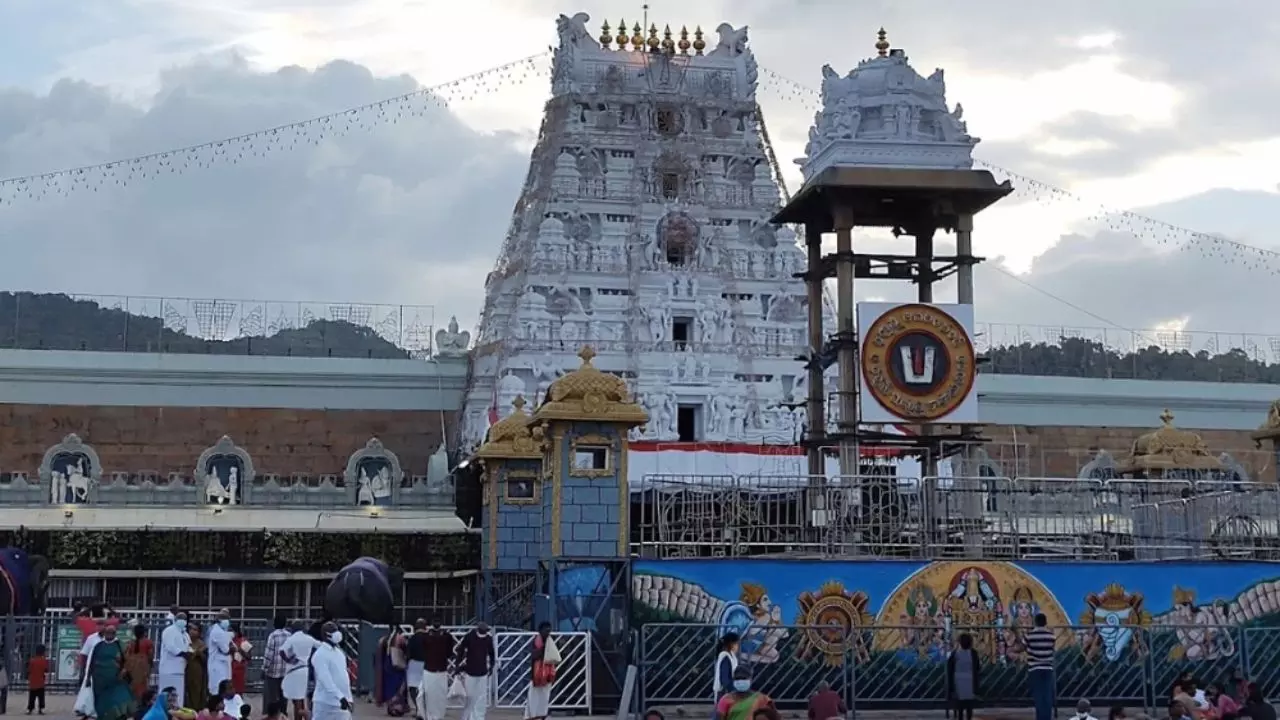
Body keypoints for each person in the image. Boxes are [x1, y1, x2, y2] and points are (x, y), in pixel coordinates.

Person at [87, 621, 137, 720]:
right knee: (101, 702)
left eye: (112, 633)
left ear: (115, 634)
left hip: (116, 680)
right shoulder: (98, 646)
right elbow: (92, 662)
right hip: (99, 681)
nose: (109, 634)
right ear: (104, 633)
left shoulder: (120, 645)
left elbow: (128, 661)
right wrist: (88, 677)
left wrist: (123, 671)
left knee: (117, 700)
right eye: (107, 632)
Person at [311, 621, 354, 720]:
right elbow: (325, 679)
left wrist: (349, 697)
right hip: (325, 704)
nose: (337, 633)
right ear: (326, 635)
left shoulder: (339, 653)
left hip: (341, 704)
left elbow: (344, 676)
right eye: (333, 631)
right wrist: (340, 697)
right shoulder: (320, 655)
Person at [456, 622, 496, 720]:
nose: (485, 633)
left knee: (481, 697)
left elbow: (492, 654)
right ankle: (467, 717)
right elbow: (460, 650)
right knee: (469, 696)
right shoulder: (469, 637)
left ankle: (479, 717)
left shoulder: (488, 639)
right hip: (470, 671)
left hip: (482, 671)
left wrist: (491, 666)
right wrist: (458, 664)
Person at [280, 620, 318, 720]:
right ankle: (304, 716)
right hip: (305, 670)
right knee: (301, 697)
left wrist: (288, 660)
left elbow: (282, 651)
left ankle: (302, 717)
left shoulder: (291, 639)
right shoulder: (308, 638)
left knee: (297, 699)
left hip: (294, 670)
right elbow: (319, 645)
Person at [418, 618, 455, 720]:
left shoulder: (444, 636)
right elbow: (449, 653)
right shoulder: (445, 636)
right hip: (434, 670)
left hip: (436, 670)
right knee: (433, 696)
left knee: (438, 696)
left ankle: (436, 717)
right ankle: (432, 716)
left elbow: (449, 653)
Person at [525, 622, 558, 720]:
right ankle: (532, 715)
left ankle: (542, 714)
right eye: (546, 630)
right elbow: (534, 655)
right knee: (533, 696)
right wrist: (543, 649)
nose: (548, 632)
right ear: (540, 631)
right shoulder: (536, 641)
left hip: (547, 674)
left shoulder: (551, 641)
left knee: (545, 696)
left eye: (549, 630)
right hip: (536, 675)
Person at [1026, 613, 1056, 720]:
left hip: (1034, 669)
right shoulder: (1051, 636)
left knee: (1038, 695)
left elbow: (1024, 646)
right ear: (1045, 622)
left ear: (1036, 622)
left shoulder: (1030, 635)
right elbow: (1052, 649)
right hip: (1048, 668)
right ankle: (1047, 717)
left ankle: (1040, 717)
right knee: (1047, 695)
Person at [160, 613, 193, 709]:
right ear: (175, 619)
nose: (183, 621)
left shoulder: (185, 633)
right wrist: (183, 653)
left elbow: (189, 646)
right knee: (167, 697)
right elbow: (170, 646)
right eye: (180, 618)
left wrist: (190, 653)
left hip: (180, 669)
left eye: (184, 619)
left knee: (178, 697)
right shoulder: (169, 631)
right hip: (169, 669)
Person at [947, 633, 982, 720]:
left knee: (960, 704)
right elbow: (977, 667)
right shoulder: (973, 653)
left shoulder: (955, 653)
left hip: (958, 679)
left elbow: (949, 667)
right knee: (969, 704)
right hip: (970, 679)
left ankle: (960, 717)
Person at [375, 626, 408, 713]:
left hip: (387, 666)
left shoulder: (383, 639)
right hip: (397, 666)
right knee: (398, 686)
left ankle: (391, 707)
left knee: (389, 688)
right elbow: (406, 650)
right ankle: (397, 708)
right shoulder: (400, 638)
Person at [263, 617, 292, 712]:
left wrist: (264, 668)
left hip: (273, 672)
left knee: (272, 697)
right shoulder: (289, 636)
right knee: (283, 696)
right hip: (286, 672)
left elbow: (269, 654)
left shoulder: (273, 636)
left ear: (274, 624)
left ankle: (273, 714)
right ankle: (283, 714)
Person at [207, 611, 234, 698]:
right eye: (226, 620)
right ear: (219, 620)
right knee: (217, 689)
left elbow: (233, 647)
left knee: (224, 688)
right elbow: (226, 650)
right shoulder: (217, 632)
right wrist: (231, 648)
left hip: (223, 664)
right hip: (217, 665)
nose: (227, 622)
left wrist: (231, 648)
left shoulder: (223, 631)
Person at [125, 624, 155, 700]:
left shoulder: (131, 643)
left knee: (134, 687)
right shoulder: (148, 643)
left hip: (133, 668)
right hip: (144, 667)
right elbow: (150, 656)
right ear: (144, 632)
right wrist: (151, 665)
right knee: (143, 687)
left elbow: (127, 656)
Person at [186, 622, 211, 713]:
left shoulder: (202, 645)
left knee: (196, 692)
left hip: (197, 673)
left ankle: (196, 711)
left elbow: (205, 660)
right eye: (191, 629)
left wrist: (199, 653)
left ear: (199, 633)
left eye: (195, 630)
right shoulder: (185, 641)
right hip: (185, 670)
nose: (192, 631)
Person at [713, 634, 740, 700]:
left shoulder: (732, 656)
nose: (738, 646)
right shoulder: (725, 657)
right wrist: (731, 690)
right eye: (736, 644)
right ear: (731, 644)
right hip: (724, 692)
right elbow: (724, 679)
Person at [27, 642, 48, 715]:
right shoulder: (43, 660)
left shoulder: (32, 660)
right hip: (41, 681)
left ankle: (30, 709)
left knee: (32, 697)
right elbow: (46, 670)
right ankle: (40, 709)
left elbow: (29, 670)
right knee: (41, 697)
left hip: (33, 682)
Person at [230, 626, 249, 696]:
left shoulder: (243, 641)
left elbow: (249, 657)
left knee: (238, 691)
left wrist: (240, 650)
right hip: (229, 668)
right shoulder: (228, 641)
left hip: (239, 669)